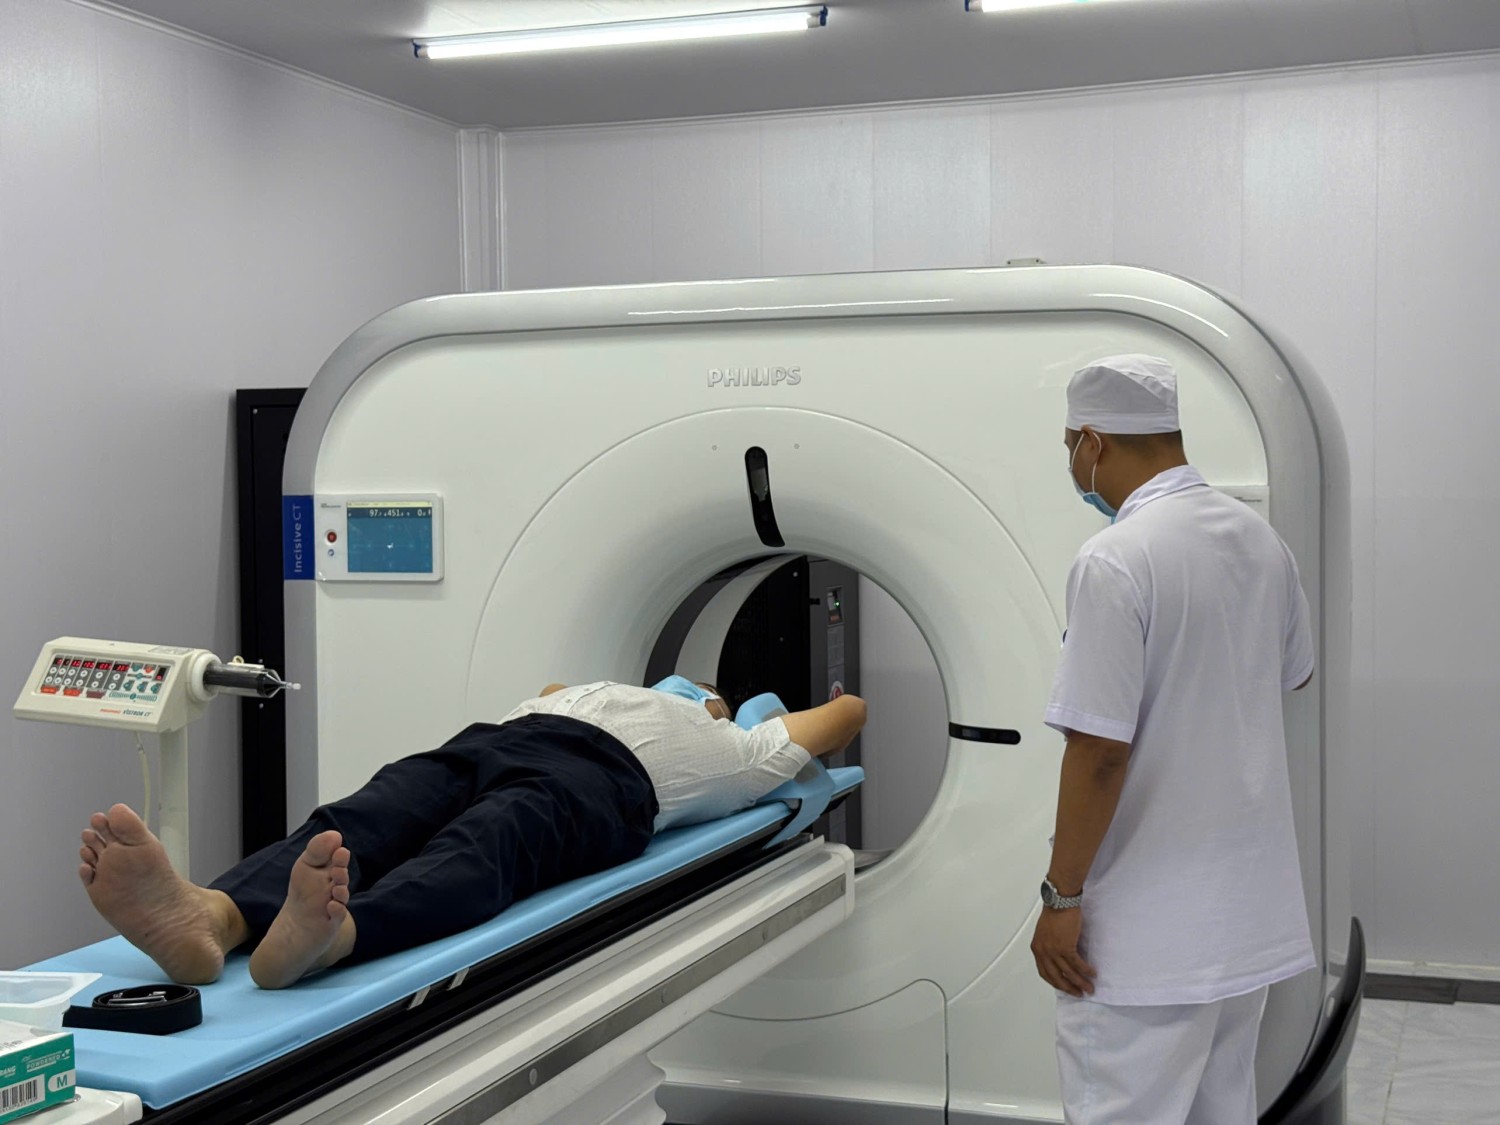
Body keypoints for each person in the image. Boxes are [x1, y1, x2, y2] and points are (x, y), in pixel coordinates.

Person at [77, 678, 866, 990]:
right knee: (369, 811)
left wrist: (744, 711)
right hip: (498, 736)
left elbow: (845, 714)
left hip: (603, 780)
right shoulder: (605, 686)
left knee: (489, 843)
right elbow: (551, 686)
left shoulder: (737, 752)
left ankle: (337, 934)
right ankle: (212, 916)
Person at [1032, 354, 1316, 1125]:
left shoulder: (1115, 558)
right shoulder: (1260, 542)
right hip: (1240, 917)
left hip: (1145, 936)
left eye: (1070, 445)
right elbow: (1294, 675)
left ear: (1094, 440)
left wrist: (1061, 897)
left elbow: (1099, 752)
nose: (1072, 463)